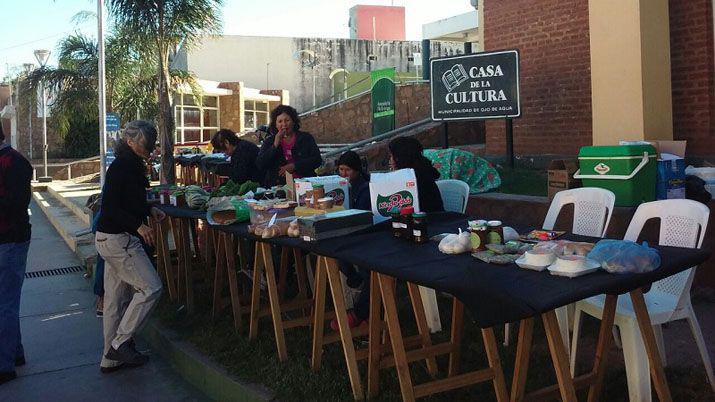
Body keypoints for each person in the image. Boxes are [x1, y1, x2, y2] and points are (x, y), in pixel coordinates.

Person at [95, 120, 165, 373]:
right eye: (145, 146)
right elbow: (111, 207)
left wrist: (149, 209)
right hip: (118, 240)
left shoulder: (130, 165)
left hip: (109, 240)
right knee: (151, 288)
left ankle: (110, 358)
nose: (149, 151)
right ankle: (120, 343)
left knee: (115, 300)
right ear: (130, 142)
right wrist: (139, 225)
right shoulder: (123, 167)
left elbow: (129, 200)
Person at [0, 123, 33, 385]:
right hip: (9, 239)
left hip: (11, 241)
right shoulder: (13, 161)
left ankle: (4, 365)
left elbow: (17, 203)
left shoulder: (15, 162)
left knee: (5, 304)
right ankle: (15, 352)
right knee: (7, 302)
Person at [331, 151, 372, 331]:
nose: (344, 174)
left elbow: (361, 214)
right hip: (347, 230)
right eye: (341, 169)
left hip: (363, 233)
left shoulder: (364, 188)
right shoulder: (341, 185)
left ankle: (357, 287)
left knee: (344, 251)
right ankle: (354, 280)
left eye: (348, 170)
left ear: (357, 170)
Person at [256, 105, 322, 187]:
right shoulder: (270, 141)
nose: (284, 124)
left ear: (293, 122)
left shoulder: (305, 138)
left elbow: (317, 160)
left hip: (305, 184)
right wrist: (275, 145)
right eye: (280, 122)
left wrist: (295, 166)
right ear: (275, 125)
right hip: (278, 187)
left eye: (287, 120)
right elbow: (260, 164)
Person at [388, 136, 445, 213]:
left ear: (400, 158)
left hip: (430, 220)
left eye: (392, 156)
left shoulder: (417, 179)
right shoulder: (423, 172)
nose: (390, 160)